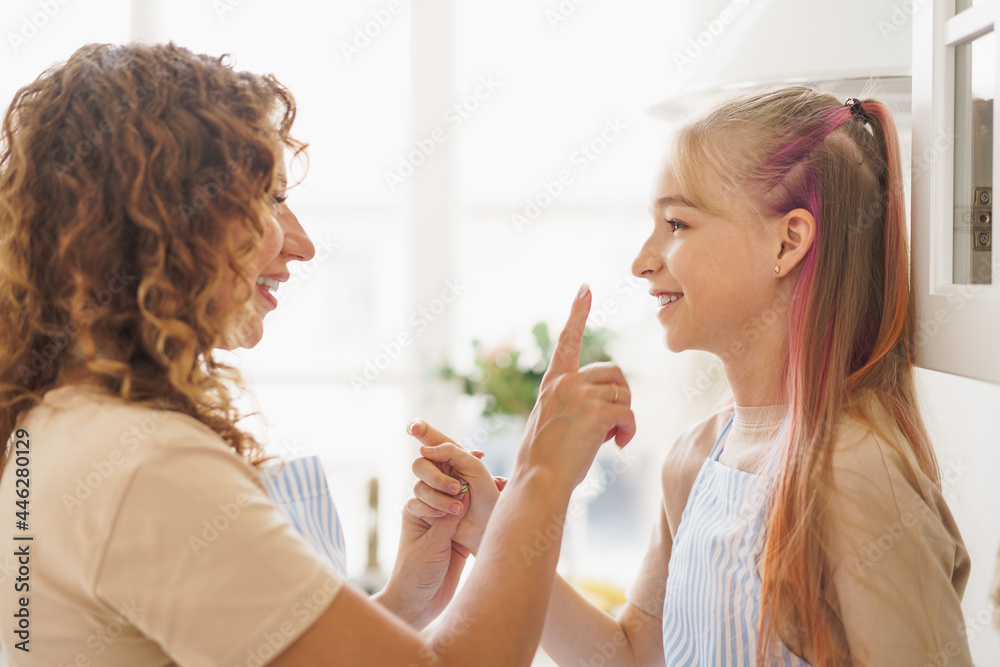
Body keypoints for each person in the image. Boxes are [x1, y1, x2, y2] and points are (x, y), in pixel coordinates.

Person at [0, 42, 636, 666]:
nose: (301, 245)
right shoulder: (146, 465)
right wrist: (541, 478)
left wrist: (398, 610)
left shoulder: (55, 425)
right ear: (166, 219)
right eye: (271, 199)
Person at [408, 87, 973, 666]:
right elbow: (632, 655)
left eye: (676, 223)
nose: (642, 260)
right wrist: (492, 532)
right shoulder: (696, 459)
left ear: (788, 241)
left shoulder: (856, 471)